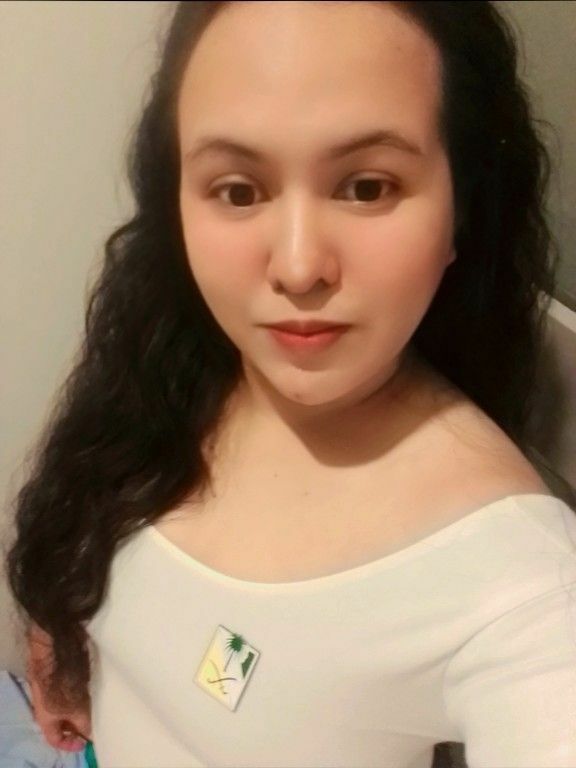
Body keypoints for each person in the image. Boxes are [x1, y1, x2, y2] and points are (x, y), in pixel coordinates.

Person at [4, 1, 576, 766]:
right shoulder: (170, 363)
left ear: (462, 207)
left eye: (366, 187)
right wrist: (61, 627)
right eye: (239, 191)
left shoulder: (526, 592)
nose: (299, 267)